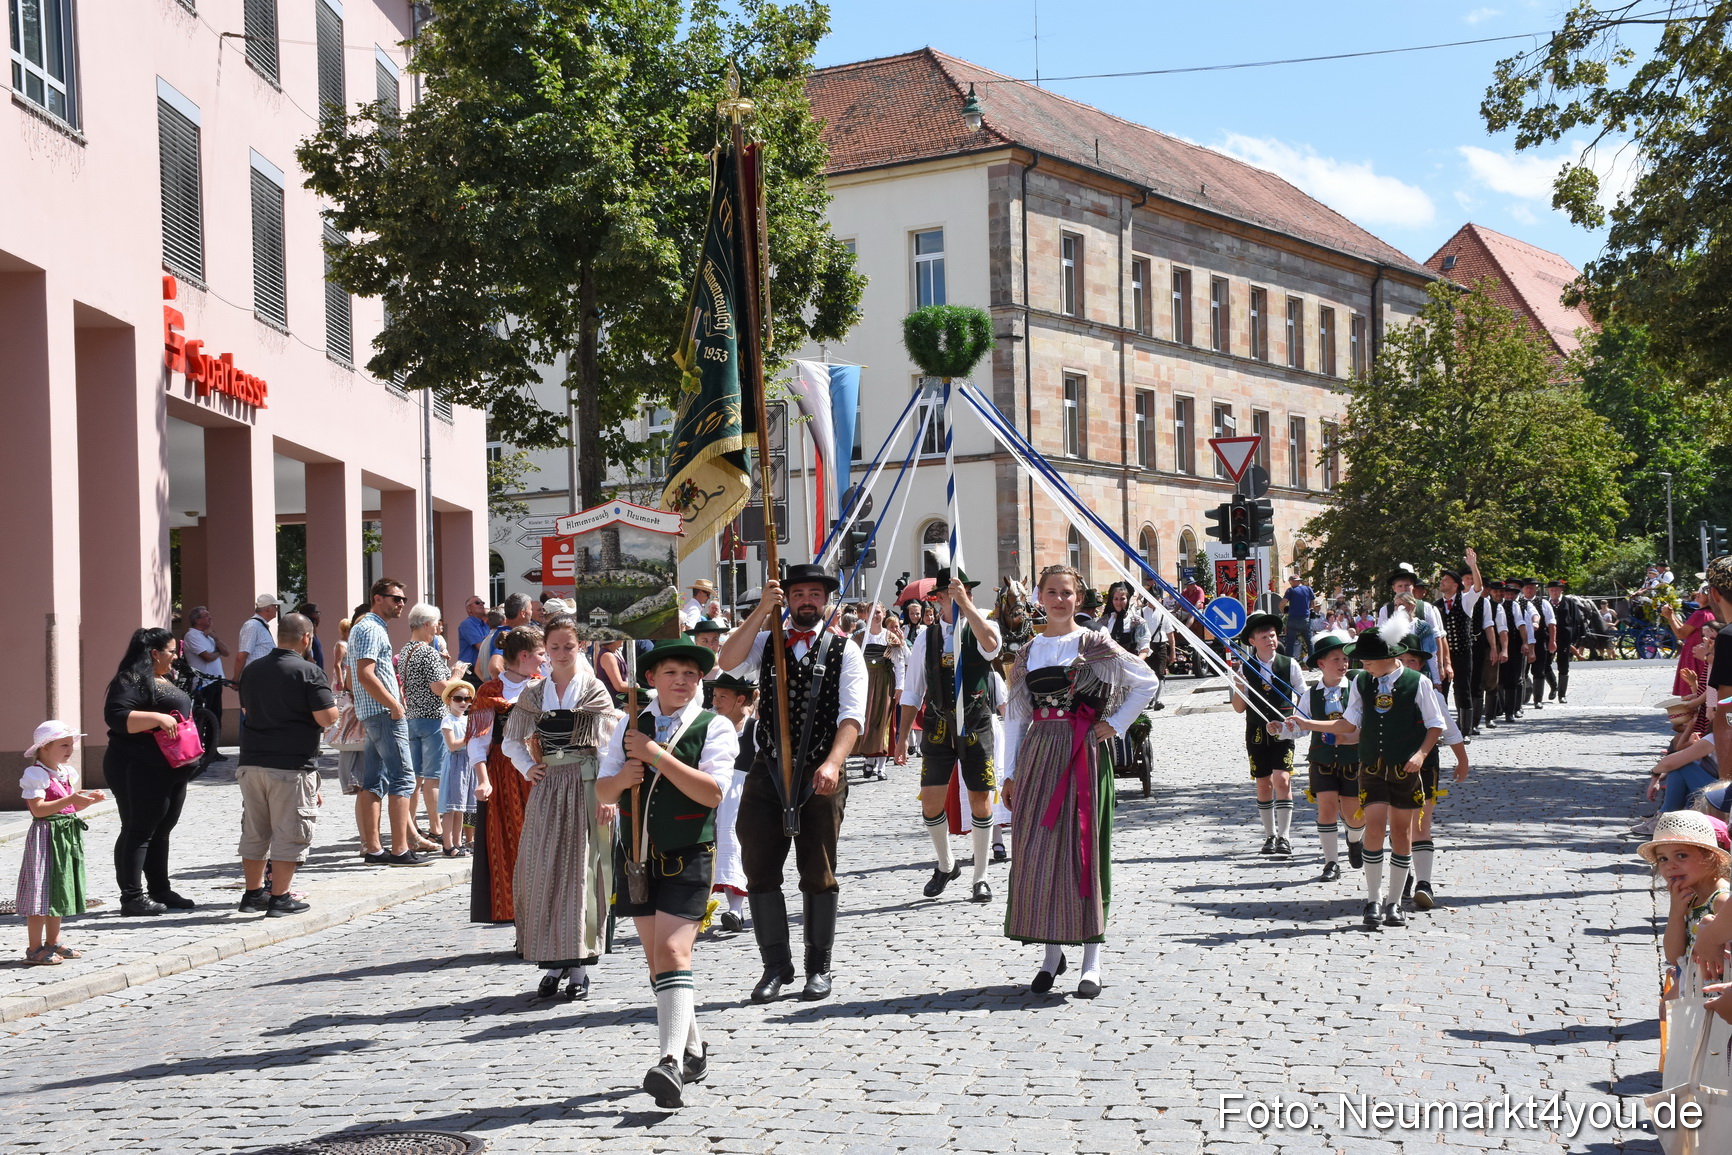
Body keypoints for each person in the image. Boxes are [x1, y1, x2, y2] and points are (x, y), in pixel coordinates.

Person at [1001, 564, 1159, 997]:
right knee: (1038, 850)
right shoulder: (1028, 652)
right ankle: (1051, 955)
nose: (1059, 600)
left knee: (1084, 850)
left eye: (1067, 592)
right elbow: (1015, 718)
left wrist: (1116, 724)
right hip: (1038, 755)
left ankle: (1092, 959)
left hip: (1083, 754)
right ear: (1039, 597)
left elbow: (1146, 681)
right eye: (1051, 592)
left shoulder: (1095, 643)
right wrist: (1009, 773)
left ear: (1080, 598)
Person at [597, 638, 738, 1109]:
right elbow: (603, 791)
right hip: (637, 857)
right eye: (671, 673)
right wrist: (623, 778)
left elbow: (712, 793)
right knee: (658, 961)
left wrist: (656, 756)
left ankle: (670, 1062)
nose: (681, 681)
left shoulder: (714, 725)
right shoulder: (628, 724)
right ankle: (693, 1049)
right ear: (651, 679)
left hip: (688, 853)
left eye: (690, 674)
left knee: (675, 951)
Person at [717, 563, 866, 1004]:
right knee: (759, 868)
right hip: (768, 768)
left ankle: (818, 967)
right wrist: (762, 609)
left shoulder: (845, 650)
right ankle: (775, 966)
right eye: (798, 594)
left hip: (820, 771)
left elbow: (852, 716)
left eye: (814, 594)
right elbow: (726, 660)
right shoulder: (768, 642)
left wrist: (834, 764)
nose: (806, 601)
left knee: (818, 871)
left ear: (826, 600)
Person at [1291, 613, 1444, 930]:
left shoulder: (1418, 682)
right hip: (1371, 767)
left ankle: (1394, 902)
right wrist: (1308, 723)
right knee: (1373, 828)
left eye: (1368, 661)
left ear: (1387, 657)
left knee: (1401, 833)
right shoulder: (1362, 682)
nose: (1362, 665)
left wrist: (1420, 754)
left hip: (1405, 769)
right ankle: (1374, 898)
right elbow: (1348, 724)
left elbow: (1435, 725)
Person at [502, 617, 617, 1000]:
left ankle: (579, 967)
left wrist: (607, 796)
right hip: (550, 787)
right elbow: (511, 741)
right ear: (545, 650)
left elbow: (608, 748)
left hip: (586, 784)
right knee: (543, 870)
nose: (562, 653)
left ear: (580, 646)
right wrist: (528, 767)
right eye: (554, 647)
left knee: (582, 872)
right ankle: (553, 962)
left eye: (569, 646)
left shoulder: (594, 690)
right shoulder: (535, 694)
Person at [896, 568, 1003, 902]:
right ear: (938, 598)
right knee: (930, 801)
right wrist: (901, 738)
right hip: (939, 725)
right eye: (954, 593)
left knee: (980, 800)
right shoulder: (926, 638)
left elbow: (992, 648)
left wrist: (967, 608)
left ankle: (981, 876)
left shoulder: (983, 625)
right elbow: (912, 692)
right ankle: (946, 864)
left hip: (975, 723)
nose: (962, 597)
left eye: (966, 592)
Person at [234, 613, 340, 917]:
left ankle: (252, 894)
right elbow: (326, 717)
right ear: (306, 638)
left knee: (255, 831)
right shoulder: (309, 671)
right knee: (289, 832)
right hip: (291, 765)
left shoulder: (252, 670)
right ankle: (279, 898)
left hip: (251, 761)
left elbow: (246, 709)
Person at [102, 627, 197, 915]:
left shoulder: (163, 677)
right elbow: (116, 716)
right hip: (137, 766)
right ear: (154, 653)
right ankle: (132, 897)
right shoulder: (130, 679)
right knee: (139, 829)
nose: (176, 656)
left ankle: (160, 889)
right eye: (172, 651)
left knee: (162, 830)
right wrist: (156, 717)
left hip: (170, 767)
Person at [468, 624, 545, 922]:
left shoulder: (543, 686)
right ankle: (515, 909)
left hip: (540, 767)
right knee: (510, 838)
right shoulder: (489, 691)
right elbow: (478, 742)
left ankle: (544, 905)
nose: (544, 659)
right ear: (524, 655)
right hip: (504, 770)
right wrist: (483, 780)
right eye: (541, 653)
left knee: (541, 838)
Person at [348, 579, 428, 867]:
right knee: (403, 778)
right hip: (383, 713)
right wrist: (394, 705)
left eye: (403, 599)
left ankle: (373, 849)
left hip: (374, 713)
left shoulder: (367, 627)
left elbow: (355, 677)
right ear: (377, 598)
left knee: (372, 781)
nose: (401, 603)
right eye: (396, 598)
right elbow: (364, 674)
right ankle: (400, 850)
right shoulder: (370, 627)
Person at [15, 721, 103, 966]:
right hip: (46, 837)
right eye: (64, 745)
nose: (70, 749)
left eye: (71, 744)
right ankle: (34, 948)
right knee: (41, 891)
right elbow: (38, 810)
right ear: (44, 747)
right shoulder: (36, 774)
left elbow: (69, 807)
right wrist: (71, 798)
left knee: (59, 888)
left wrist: (88, 801)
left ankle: (53, 941)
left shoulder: (64, 773)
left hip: (65, 836)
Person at [1397, 633, 1470, 910]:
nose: (1407, 666)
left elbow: (1449, 729)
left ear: (1420, 665)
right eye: (1401, 661)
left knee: (1421, 822)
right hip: (1390, 764)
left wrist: (1462, 759)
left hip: (1426, 763)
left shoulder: (1431, 692)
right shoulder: (1382, 693)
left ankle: (1424, 882)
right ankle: (1403, 873)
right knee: (1399, 825)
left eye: (1412, 661)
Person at [1641, 812, 1731, 1007]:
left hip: (1719, 1002)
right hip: (1695, 996)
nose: (1670, 866)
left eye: (1681, 855)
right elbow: (1674, 956)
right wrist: (1676, 912)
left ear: (1711, 857)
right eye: (1663, 859)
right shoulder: (1691, 898)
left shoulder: (1722, 901)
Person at [1230, 612, 1302, 856]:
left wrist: (1296, 721)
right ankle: (1270, 835)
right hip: (1257, 733)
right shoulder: (1246, 668)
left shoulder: (1289, 664)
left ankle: (1285, 836)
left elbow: (1303, 695)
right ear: (1252, 642)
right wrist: (1239, 685)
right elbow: (1239, 708)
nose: (1270, 640)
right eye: (1264, 637)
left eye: (1272, 635)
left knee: (1282, 780)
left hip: (1284, 730)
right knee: (1263, 783)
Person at [400, 604, 467, 852]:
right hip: (433, 719)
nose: (438, 628)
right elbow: (441, 689)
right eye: (437, 623)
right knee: (434, 778)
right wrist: (457, 674)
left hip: (413, 717)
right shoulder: (427, 652)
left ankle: (411, 827)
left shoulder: (405, 650)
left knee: (415, 778)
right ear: (427, 624)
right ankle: (436, 828)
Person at [1301, 631, 1360, 882]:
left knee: (1353, 814)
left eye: (1345, 659)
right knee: (1326, 808)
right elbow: (1299, 725)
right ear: (1321, 664)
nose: (1343, 663)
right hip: (1321, 759)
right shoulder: (1310, 694)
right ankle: (1331, 863)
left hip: (1352, 759)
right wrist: (1281, 728)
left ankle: (1355, 839)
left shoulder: (1356, 688)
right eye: (1336, 659)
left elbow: (1362, 724)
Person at [709, 673, 756, 932]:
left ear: (740, 700)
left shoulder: (753, 729)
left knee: (738, 846)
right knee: (719, 846)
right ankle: (733, 909)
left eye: (722, 697)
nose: (715, 702)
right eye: (714, 696)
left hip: (744, 794)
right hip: (715, 792)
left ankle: (740, 908)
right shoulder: (710, 727)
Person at [1433, 551, 1483, 736]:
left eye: (1445, 580)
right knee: (1441, 691)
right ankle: (1444, 729)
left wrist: (1473, 565)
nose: (1442, 582)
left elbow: (1478, 587)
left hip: (1462, 653)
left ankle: (1465, 731)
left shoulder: (1466, 600)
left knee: (1463, 690)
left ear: (1455, 585)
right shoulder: (1436, 605)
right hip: (1443, 655)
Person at [437, 681, 489, 857]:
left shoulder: (467, 719)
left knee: (461, 806)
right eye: (458, 698)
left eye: (467, 699)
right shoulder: (448, 720)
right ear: (449, 700)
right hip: (455, 763)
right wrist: (470, 736)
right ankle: (447, 844)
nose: (463, 702)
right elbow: (452, 745)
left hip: (468, 762)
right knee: (451, 807)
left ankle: (458, 842)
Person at [855, 603, 901, 782]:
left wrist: (900, 687)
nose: (876, 616)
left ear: (884, 614)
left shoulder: (890, 637)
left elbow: (899, 664)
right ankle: (869, 760)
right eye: (872, 612)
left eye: (879, 612)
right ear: (866, 615)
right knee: (867, 720)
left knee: (883, 721)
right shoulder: (859, 638)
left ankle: (881, 766)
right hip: (865, 682)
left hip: (885, 682)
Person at [180, 606, 230, 748]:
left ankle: (213, 749)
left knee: (216, 715)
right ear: (197, 620)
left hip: (215, 680)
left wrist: (216, 638)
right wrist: (217, 652)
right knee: (206, 717)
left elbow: (227, 652)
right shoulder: (192, 636)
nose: (210, 618)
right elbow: (207, 657)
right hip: (204, 682)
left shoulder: (209, 635)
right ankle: (203, 748)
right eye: (206, 615)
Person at [486, 593, 534, 679]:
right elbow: (494, 667)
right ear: (522, 613)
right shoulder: (509, 635)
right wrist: (509, 685)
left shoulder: (503, 632)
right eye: (530, 609)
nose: (531, 613)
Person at [234, 594, 280, 682]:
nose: (277, 610)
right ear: (268, 609)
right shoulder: (252, 625)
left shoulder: (259, 625)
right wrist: (236, 678)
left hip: (263, 677)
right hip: (255, 677)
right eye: (275, 607)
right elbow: (242, 655)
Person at [1281, 574, 1314, 662]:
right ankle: (1312, 664)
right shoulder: (1308, 589)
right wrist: (1308, 610)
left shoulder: (1290, 590)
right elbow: (1313, 603)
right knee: (1309, 642)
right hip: (1305, 619)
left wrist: (1284, 611)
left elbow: (1282, 604)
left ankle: (1289, 663)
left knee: (1290, 642)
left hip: (1293, 619)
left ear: (1291, 581)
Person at [458, 594, 491, 676]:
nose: (481, 604)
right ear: (469, 609)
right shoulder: (467, 624)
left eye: (483, 603)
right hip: (469, 670)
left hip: (482, 668)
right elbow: (481, 647)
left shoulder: (485, 625)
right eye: (477, 603)